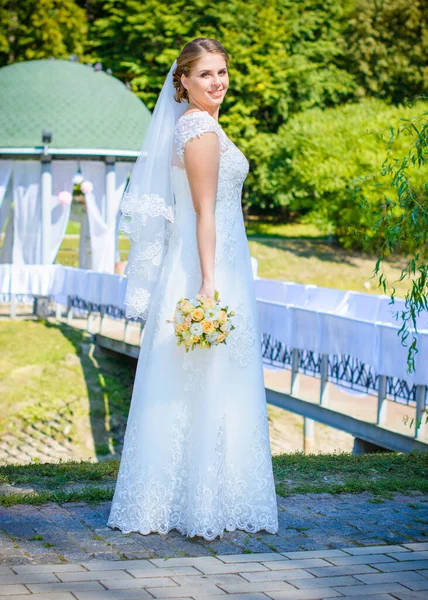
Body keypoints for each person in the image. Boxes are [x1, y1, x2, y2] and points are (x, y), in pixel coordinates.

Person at [107, 38, 278, 540]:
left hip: (216, 259)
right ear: (183, 80)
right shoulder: (199, 128)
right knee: (207, 377)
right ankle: (201, 502)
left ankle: (197, 498)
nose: (218, 82)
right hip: (210, 264)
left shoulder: (198, 125)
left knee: (201, 379)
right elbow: (205, 212)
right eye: (205, 74)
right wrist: (209, 284)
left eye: (222, 72)